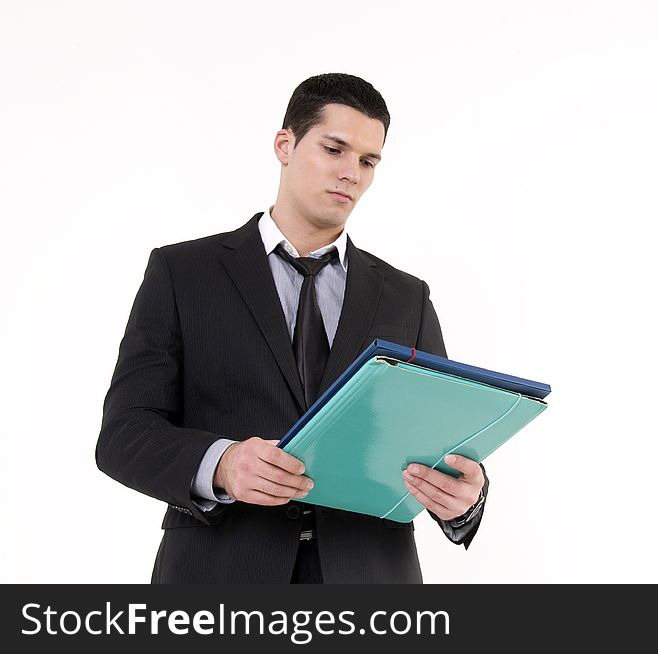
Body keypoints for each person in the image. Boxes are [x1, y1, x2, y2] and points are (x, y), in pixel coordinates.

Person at [96, 73, 489, 584]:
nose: (352, 173)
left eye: (368, 161)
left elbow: (438, 439)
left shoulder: (406, 295)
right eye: (334, 149)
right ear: (285, 144)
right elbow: (125, 433)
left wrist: (464, 500)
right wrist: (222, 464)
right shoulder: (182, 273)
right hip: (219, 575)